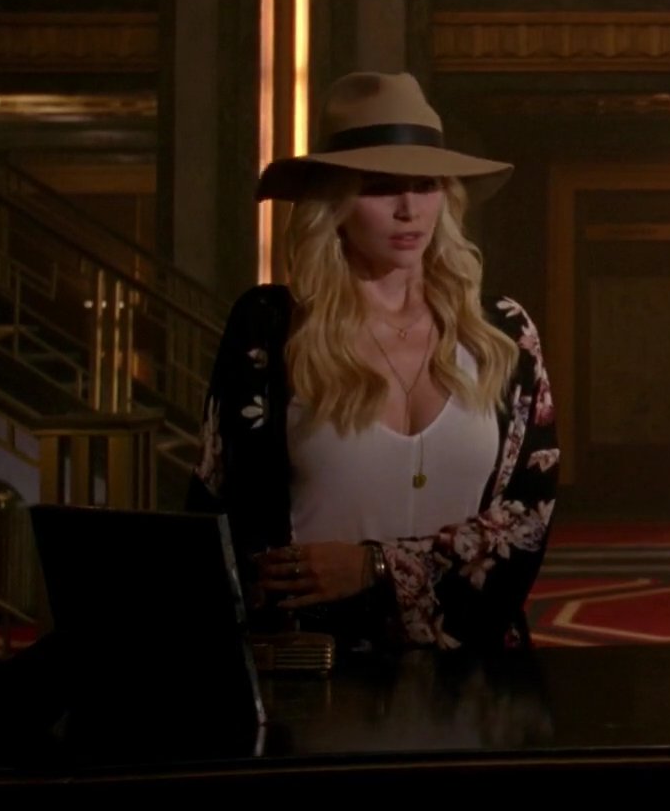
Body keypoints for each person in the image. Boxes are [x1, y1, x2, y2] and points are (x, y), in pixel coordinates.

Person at [187, 71, 558, 653]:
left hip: (473, 670)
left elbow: (527, 520)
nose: (409, 209)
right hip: (314, 667)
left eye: (426, 185)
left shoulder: (502, 331)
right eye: (381, 188)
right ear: (333, 201)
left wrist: (376, 567)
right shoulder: (271, 327)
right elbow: (220, 515)